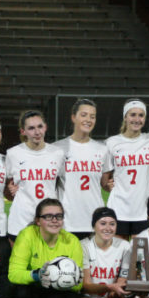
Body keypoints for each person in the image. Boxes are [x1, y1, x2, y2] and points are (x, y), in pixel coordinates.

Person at [8, 198, 83, 298]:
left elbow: (79, 284)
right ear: (38, 221)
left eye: (59, 216)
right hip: (32, 291)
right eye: (48, 216)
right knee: (20, 293)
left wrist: (69, 280)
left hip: (57, 292)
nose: (54, 220)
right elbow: (13, 274)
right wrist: (37, 275)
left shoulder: (72, 241)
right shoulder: (27, 236)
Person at [54, 99, 112, 239]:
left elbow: (105, 183)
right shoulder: (57, 149)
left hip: (95, 220)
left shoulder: (103, 149)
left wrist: (110, 185)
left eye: (92, 116)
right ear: (74, 117)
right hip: (67, 222)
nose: (88, 120)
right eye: (84, 115)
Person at [79, 207, 134, 298]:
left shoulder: (125, 246)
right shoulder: (84, 246)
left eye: (112, 223)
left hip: (112, 297)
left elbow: (122, 281)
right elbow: (86, 285)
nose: (108, 228)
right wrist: (108, 288)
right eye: (102, 223)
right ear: (94, 226)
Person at [5, 110, 64, 241]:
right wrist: (10, 190)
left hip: (49, 220)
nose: (37, 132)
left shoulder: (58, 153)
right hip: (21, 220)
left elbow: (62, 184)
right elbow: (7, 189)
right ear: (23, 132)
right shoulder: (13, 154)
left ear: (46, 127)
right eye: (31, 128)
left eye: (40, 126)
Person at [105, 99, 149, 238]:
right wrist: (107, 185)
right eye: (132, 114)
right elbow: (105, 178)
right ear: (125, 117)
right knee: (117, 256)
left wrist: (148, 183)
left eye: (141, 115)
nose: (137, 119)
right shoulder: (112, 143)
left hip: (143, 209)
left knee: (139, 257)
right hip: (118, 207)